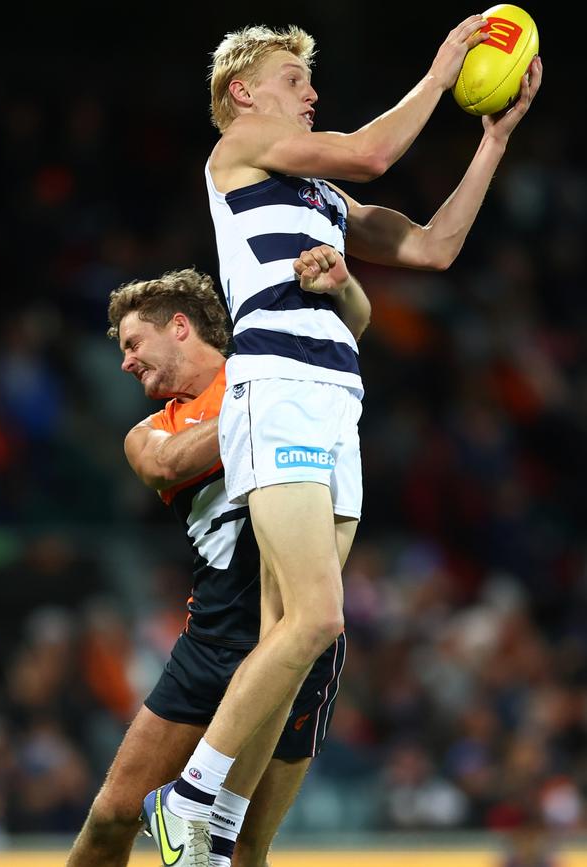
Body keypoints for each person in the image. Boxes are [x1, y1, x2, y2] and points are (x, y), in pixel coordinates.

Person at [142, 17, 543, 866]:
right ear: (244, 91)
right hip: (278, 388)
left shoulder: (321, 198)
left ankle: (216, 829)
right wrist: (439, 75)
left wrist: (494, 140)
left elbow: (432, 248)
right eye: (295, 78)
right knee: (320, 616)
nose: (311, 92)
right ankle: (186, 798)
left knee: (291, 636)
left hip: (334, 398)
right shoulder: (242, 145)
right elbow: (369, 152)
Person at [66, 249, 368, 867]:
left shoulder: (269, 377)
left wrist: (346, 285)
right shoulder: (154, 429)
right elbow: (165, 465)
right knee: (111, 816)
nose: (124, 362)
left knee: (242, 849)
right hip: (214, 640)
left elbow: (351, 330)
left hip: (296, 640)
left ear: (180, 325)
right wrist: (273, 403)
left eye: (132, 342)